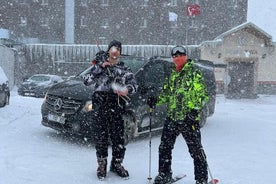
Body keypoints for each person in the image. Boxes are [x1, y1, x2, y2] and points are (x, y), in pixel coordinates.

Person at [153, 45, 210, 184]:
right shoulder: (172, 74)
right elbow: (167, 94)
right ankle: (164, 174)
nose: (178, 58)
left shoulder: (194, 73)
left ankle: (201, 179)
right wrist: (155, 100)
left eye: (181, 55)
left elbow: (203, 95)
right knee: (165, 147)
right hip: (172, 117)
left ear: (186, 56)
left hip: (188, 119)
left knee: (196, 150)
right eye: (175, 56)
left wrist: (194, 111)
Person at [83, 40, 137, 180]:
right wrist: (100, 67)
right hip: (100, 105)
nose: (115, 51)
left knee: (118, 137)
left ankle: (117, 164)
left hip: (117, 106)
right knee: (101, 137)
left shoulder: (125, 69)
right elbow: (86, 80)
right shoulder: (99, 66)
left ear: (120, 52)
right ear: (108, 51)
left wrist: (127, 89)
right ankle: (102, 164)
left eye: (118, 49)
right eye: (113, 48)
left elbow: (134, 85)